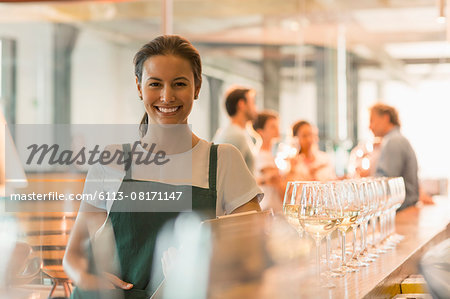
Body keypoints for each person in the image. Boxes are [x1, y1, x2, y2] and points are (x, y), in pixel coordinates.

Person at [63, 35, 262, 299]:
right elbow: (74, 257)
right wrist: (90, 280)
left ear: (197, 87)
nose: (167, 96)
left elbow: (252, 257)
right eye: (155, 84)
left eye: (179, 84)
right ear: (139, 87)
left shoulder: (223, 161)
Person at [359, 103, 419, 210]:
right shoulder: (396, 139)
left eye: (372, 120)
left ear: (385, 118)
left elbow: (384, 183)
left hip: (398, 211)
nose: (369, 126)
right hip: (403, 208)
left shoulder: (393, 141)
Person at [213, 87, 258, 174]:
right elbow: (230, 175)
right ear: (241, 104)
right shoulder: (236, 136)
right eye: (253, 103)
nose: (255, 108)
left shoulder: (234, 132)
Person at [252, 111, 284, 212]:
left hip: (272, 207)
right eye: (272, 127)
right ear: (261, 132)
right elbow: (278, 183)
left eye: (277, 126)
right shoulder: (262, 156)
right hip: (269, 208)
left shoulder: (269, 154)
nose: (277, 129)